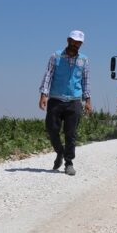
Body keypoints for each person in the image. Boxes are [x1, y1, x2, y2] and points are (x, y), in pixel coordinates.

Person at [38, 30, 92, 176]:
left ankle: (69, 163)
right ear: (68, 40)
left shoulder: (84, 60)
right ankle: (60, 152)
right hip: (56, 99)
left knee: (71, 133)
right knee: (51, 129)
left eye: (79, 43)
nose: (76, 44)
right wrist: (44, 94)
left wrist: (87, 100)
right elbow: (48, 75)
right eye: (74, 41)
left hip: (74, 101)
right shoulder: (56, 56)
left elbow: (85, 81)